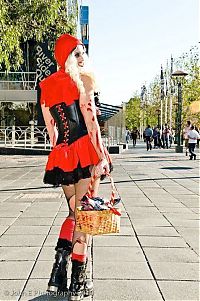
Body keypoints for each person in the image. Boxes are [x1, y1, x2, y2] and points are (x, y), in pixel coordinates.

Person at [39, 33, 110, 301]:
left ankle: (59, 270)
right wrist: (101, 156)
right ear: (66, 58)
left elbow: (51, 128)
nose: (82, 58)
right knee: (86, 215)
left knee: (74, 212)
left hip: (63, 154)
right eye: (76, 54)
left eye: (82, 52)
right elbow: (90, 119)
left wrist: (59, 151)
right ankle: (80, 278)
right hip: (85, 151)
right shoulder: (84, 80)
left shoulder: (46, 85)